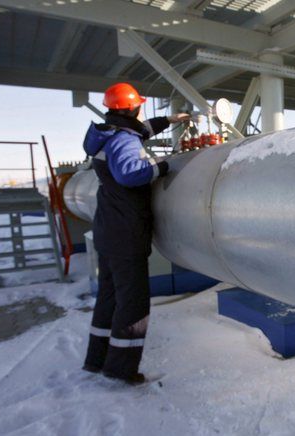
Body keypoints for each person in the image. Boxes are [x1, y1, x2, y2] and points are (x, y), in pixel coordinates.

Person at [82, 82, 189, 384]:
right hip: (125, 232)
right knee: (133, 303)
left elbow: (138, 132)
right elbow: (130, 174)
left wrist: (169, 121)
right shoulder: (124, 141)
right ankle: (120, 368)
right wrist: (162, 167)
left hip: (107, 228)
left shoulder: (108, 134)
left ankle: (97, 359)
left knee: (109, 297)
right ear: (132, 108)